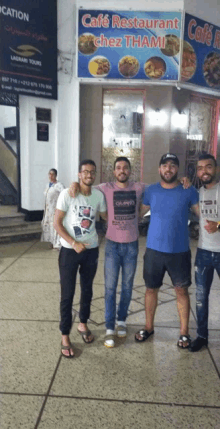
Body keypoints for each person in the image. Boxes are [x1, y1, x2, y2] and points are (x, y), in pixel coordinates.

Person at [69, 157, 145, 348]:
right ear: (113, 171)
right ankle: (110, 327)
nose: (122, 171)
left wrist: (183, 181)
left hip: (132, 246)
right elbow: (86, 184)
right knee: (110, 288)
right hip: (112, 245)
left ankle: (121, 321)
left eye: (125, 168)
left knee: (127, 286)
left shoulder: (139, 187)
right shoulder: (105, 187)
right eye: (118, 167)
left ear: (130, 170)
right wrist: (74, 183)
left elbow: (162, 186)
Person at [135, 153, 199, 348]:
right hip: (154, 251)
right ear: (159, 169)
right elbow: (139, 213)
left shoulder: (188, 190)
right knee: (150, 290)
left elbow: (202, 213)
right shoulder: (151, 191)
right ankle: (148, 327)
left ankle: (184, 333)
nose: (168, 169)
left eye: (172, 165)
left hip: (179, 252)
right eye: (165, 165)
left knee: (181, 291)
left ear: (177, 170)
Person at [54, 160, 107, 358]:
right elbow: (57, 223)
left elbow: (104, 215)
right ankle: (65, 335)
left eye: (92, 172)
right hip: (69, 251)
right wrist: (73, 242)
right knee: (67, 294)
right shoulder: (67, 194)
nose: (89, 175)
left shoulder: (98, 196)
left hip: (91, 250)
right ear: (79, 174)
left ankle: (83, 323)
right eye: (85, 172)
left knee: (87, 290)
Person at [189, 154, 220, 352]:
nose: (204, 171)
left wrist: (219, 225)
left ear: (215, 169)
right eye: (200, 168)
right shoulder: (198, 192)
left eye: (208, 167)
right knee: (201, 298)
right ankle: (202, 336)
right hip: (203, 252)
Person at [41, 168, 64, 249]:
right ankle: (51, 241)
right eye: (49, 174)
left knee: (55, 226)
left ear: (56, 175)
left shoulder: (59, 185)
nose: (51, 176)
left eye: (52, 174)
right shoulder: (47, 185)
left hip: (55, 210)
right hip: (48, 210)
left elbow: (64, 195)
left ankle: (57, 244)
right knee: (49, 226)